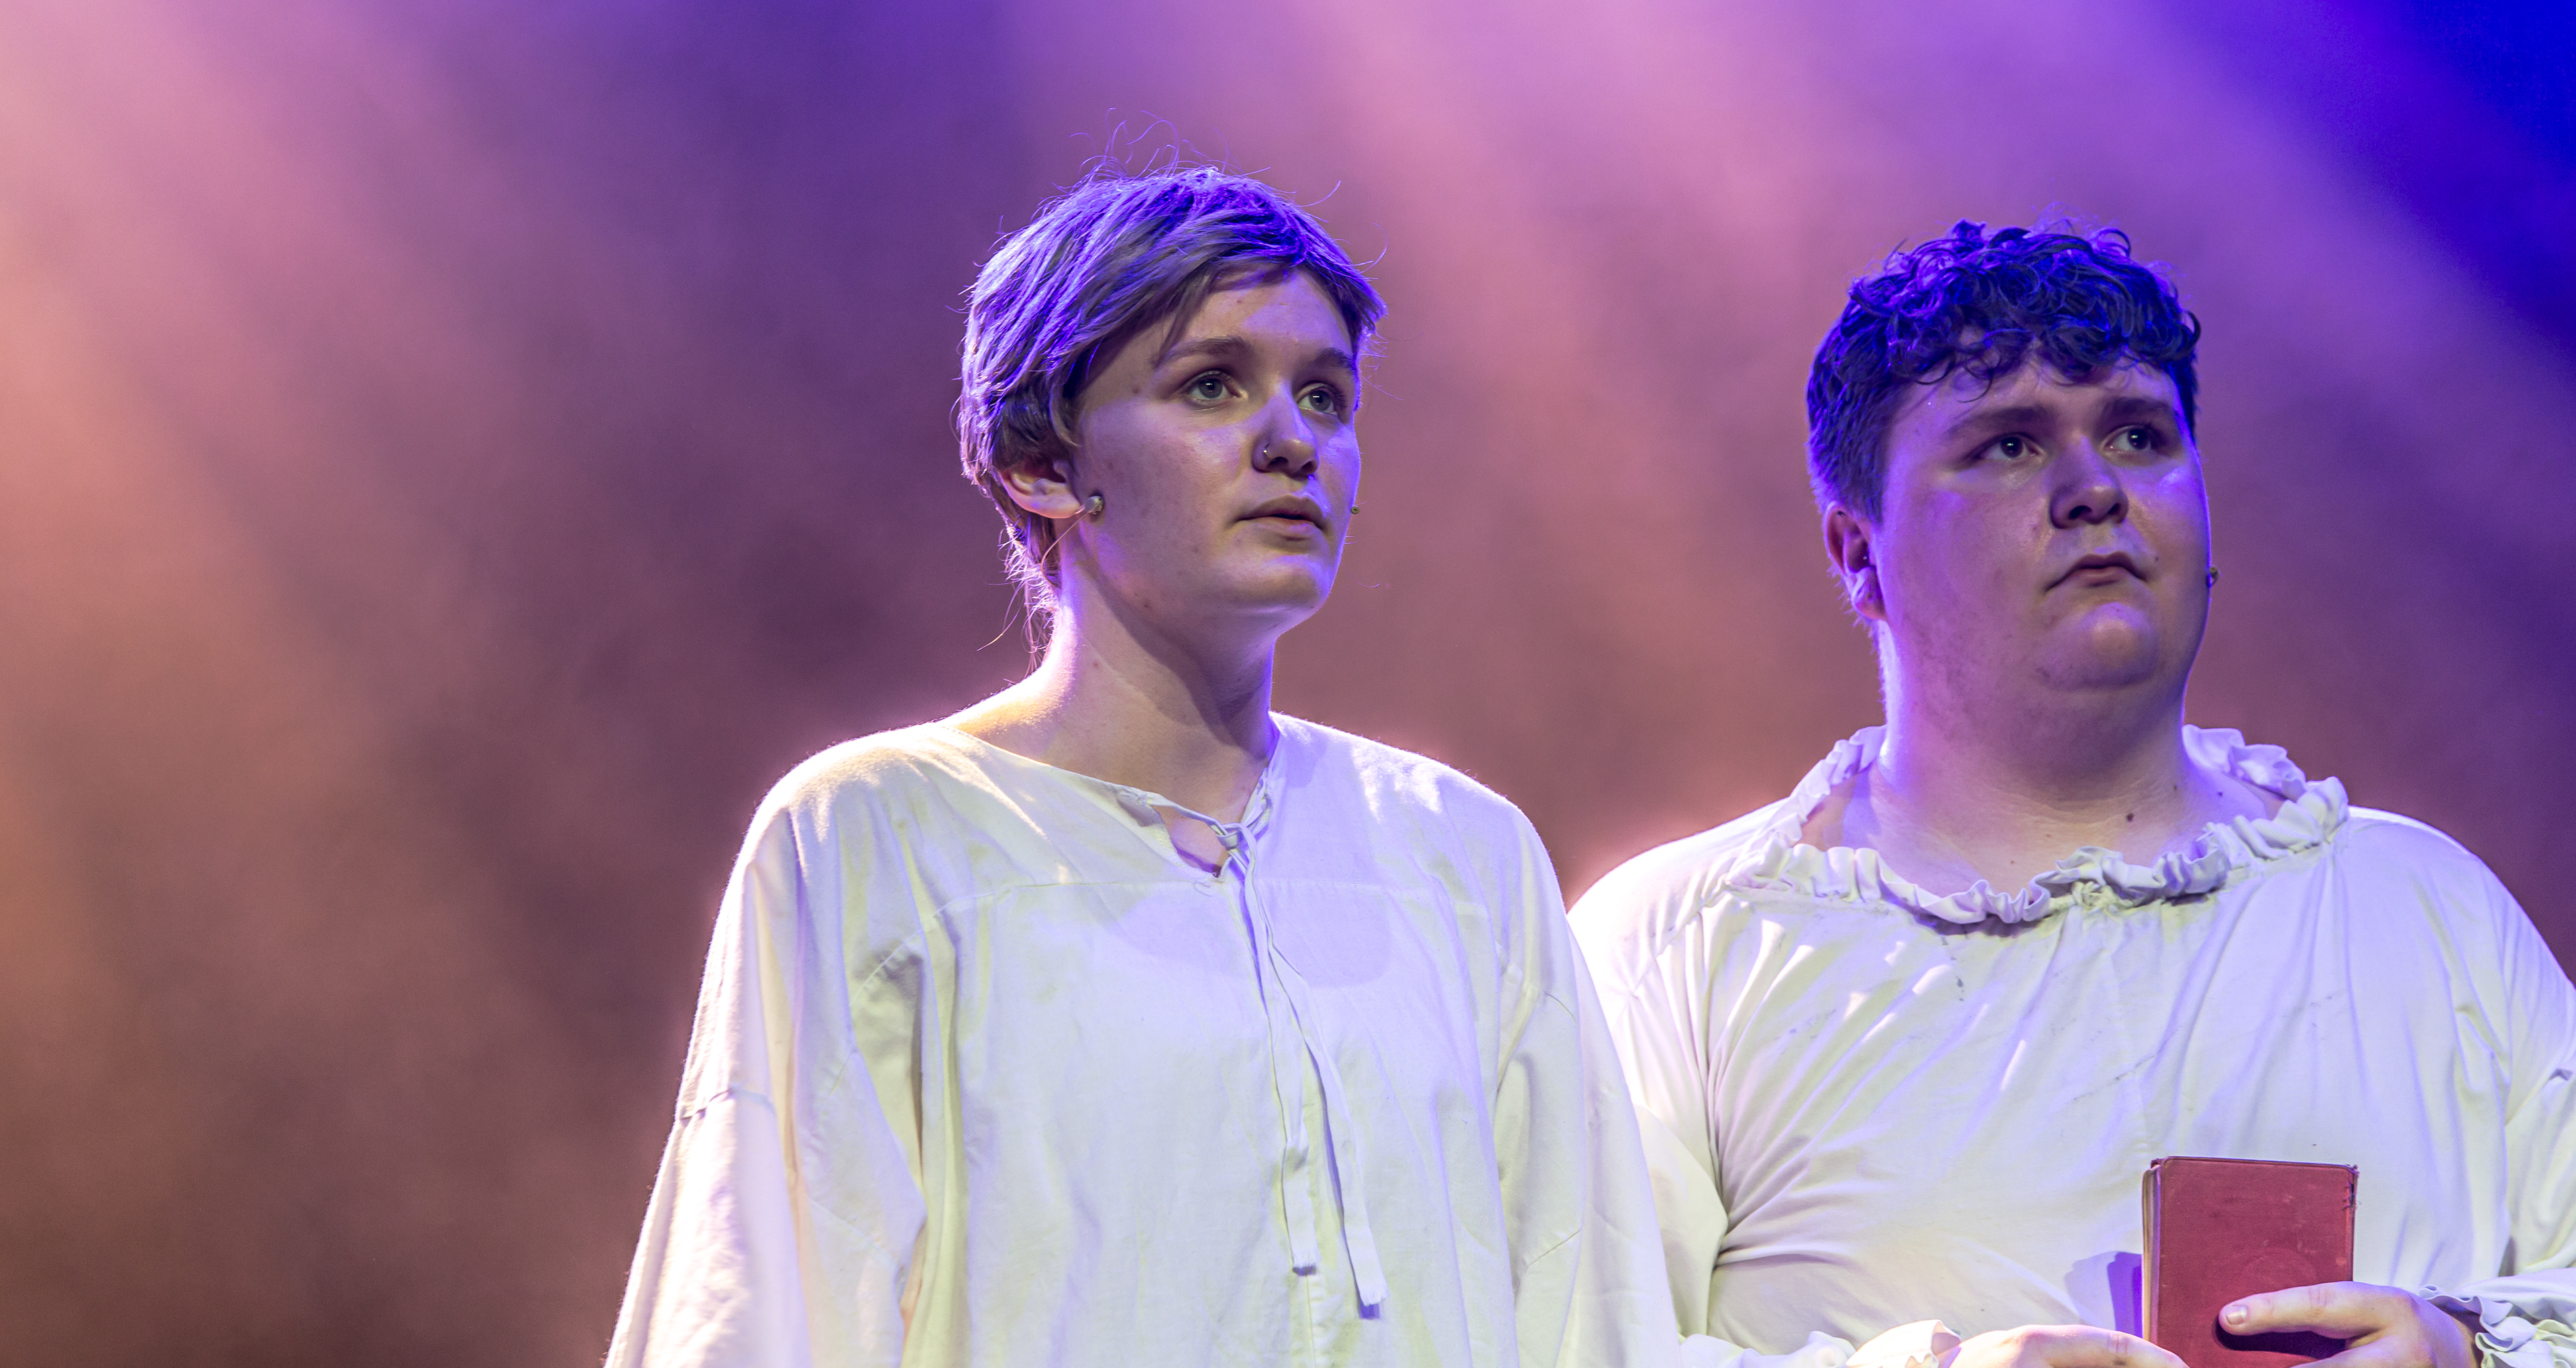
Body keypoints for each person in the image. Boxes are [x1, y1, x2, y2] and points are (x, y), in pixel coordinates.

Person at [606, 165, 1677, 1367]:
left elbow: (1592, 1318)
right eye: (1213, 384)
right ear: (1043, 461)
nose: (1294, 441)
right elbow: (759, 1313)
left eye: (1325, 396)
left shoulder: (1462, 854)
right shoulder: (879, 837)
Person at [1570, 223, 2576, 1368]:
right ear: (1858, 554)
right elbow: (1561, 1339)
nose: (2094, 489)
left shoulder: (2428, 910)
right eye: (2008, 446)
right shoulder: (1683, 945)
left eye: (2140, 435)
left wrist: (2466, 1349)